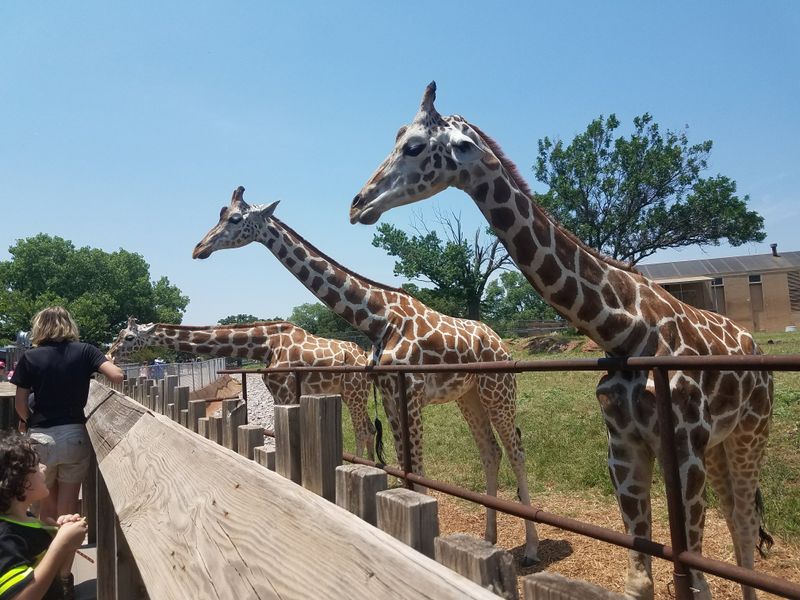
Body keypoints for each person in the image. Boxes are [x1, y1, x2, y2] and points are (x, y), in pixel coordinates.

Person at [9, 307, 123, 594]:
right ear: (68, 325)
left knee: (42, 509)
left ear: (40, 328)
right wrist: (105, 360)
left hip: (41, 438)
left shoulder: (30, 357)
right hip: (74, 434)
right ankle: (64, 578)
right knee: (68, 511)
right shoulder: (85, 351)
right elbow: (117, 376)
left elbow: (20, 405)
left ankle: (41, 575)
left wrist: (28, 422)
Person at [0, 432, 88, 599]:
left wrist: (65, 541)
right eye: (36, 465)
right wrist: (60, 545)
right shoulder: (7, 539)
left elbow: (49, 571)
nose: (44, 467)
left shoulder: (26, 520)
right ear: (17, 482)